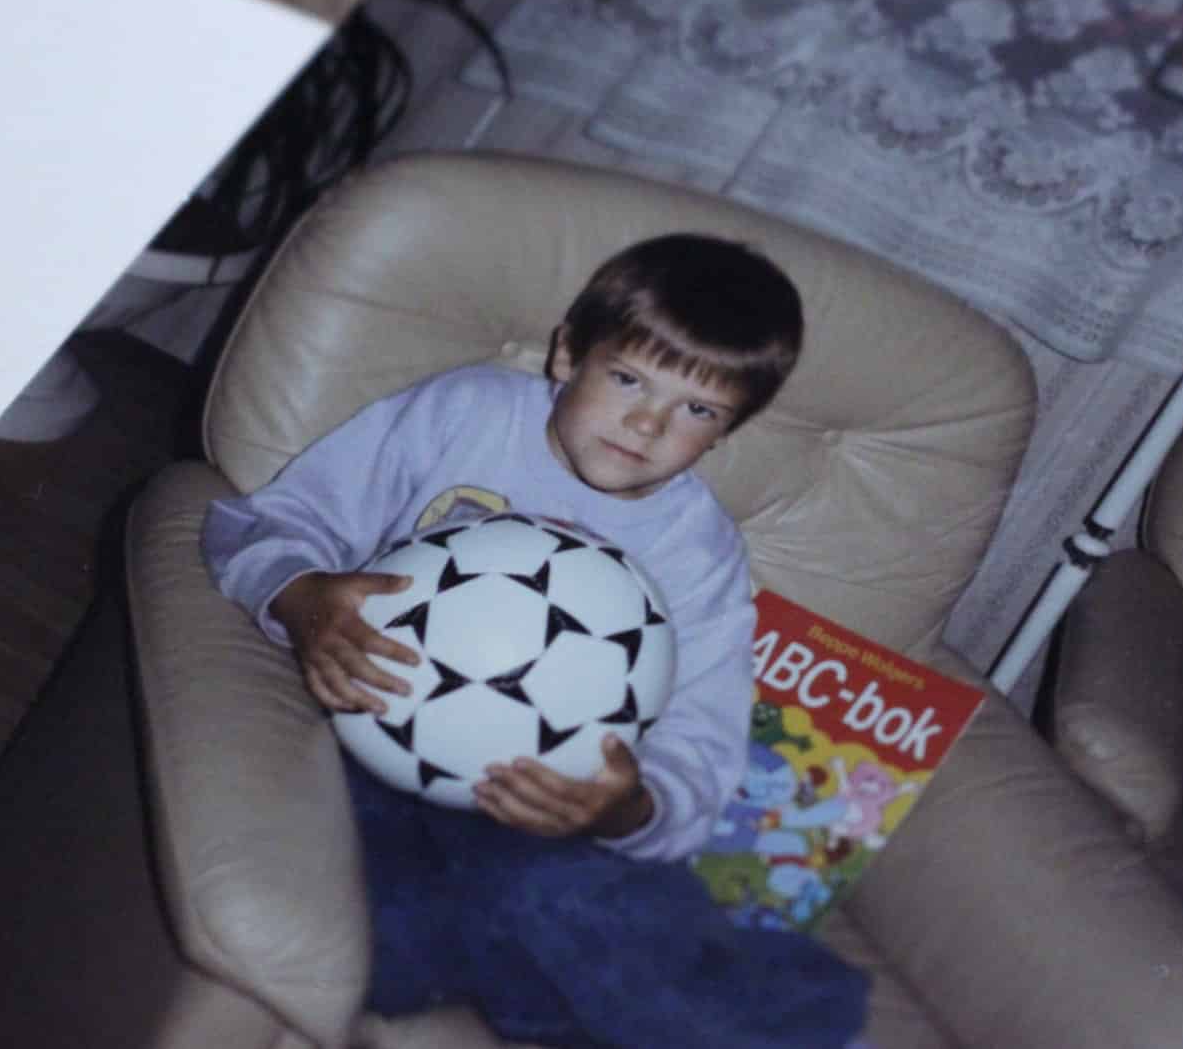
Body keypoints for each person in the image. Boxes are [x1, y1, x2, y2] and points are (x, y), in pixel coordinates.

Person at [203, 233, 870, 1048]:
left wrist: (627, 808)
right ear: (566, 355)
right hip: (367, 746)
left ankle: (775, 1020)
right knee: (393, 954)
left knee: (559, 896)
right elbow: (265, 522)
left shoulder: (698, 553)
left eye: (697, 409)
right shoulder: (465, 415)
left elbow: (704, 735)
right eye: (627, 378)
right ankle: (680, 987)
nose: (648, 421)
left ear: (726, 433)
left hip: (540, 803)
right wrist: (303, 599)